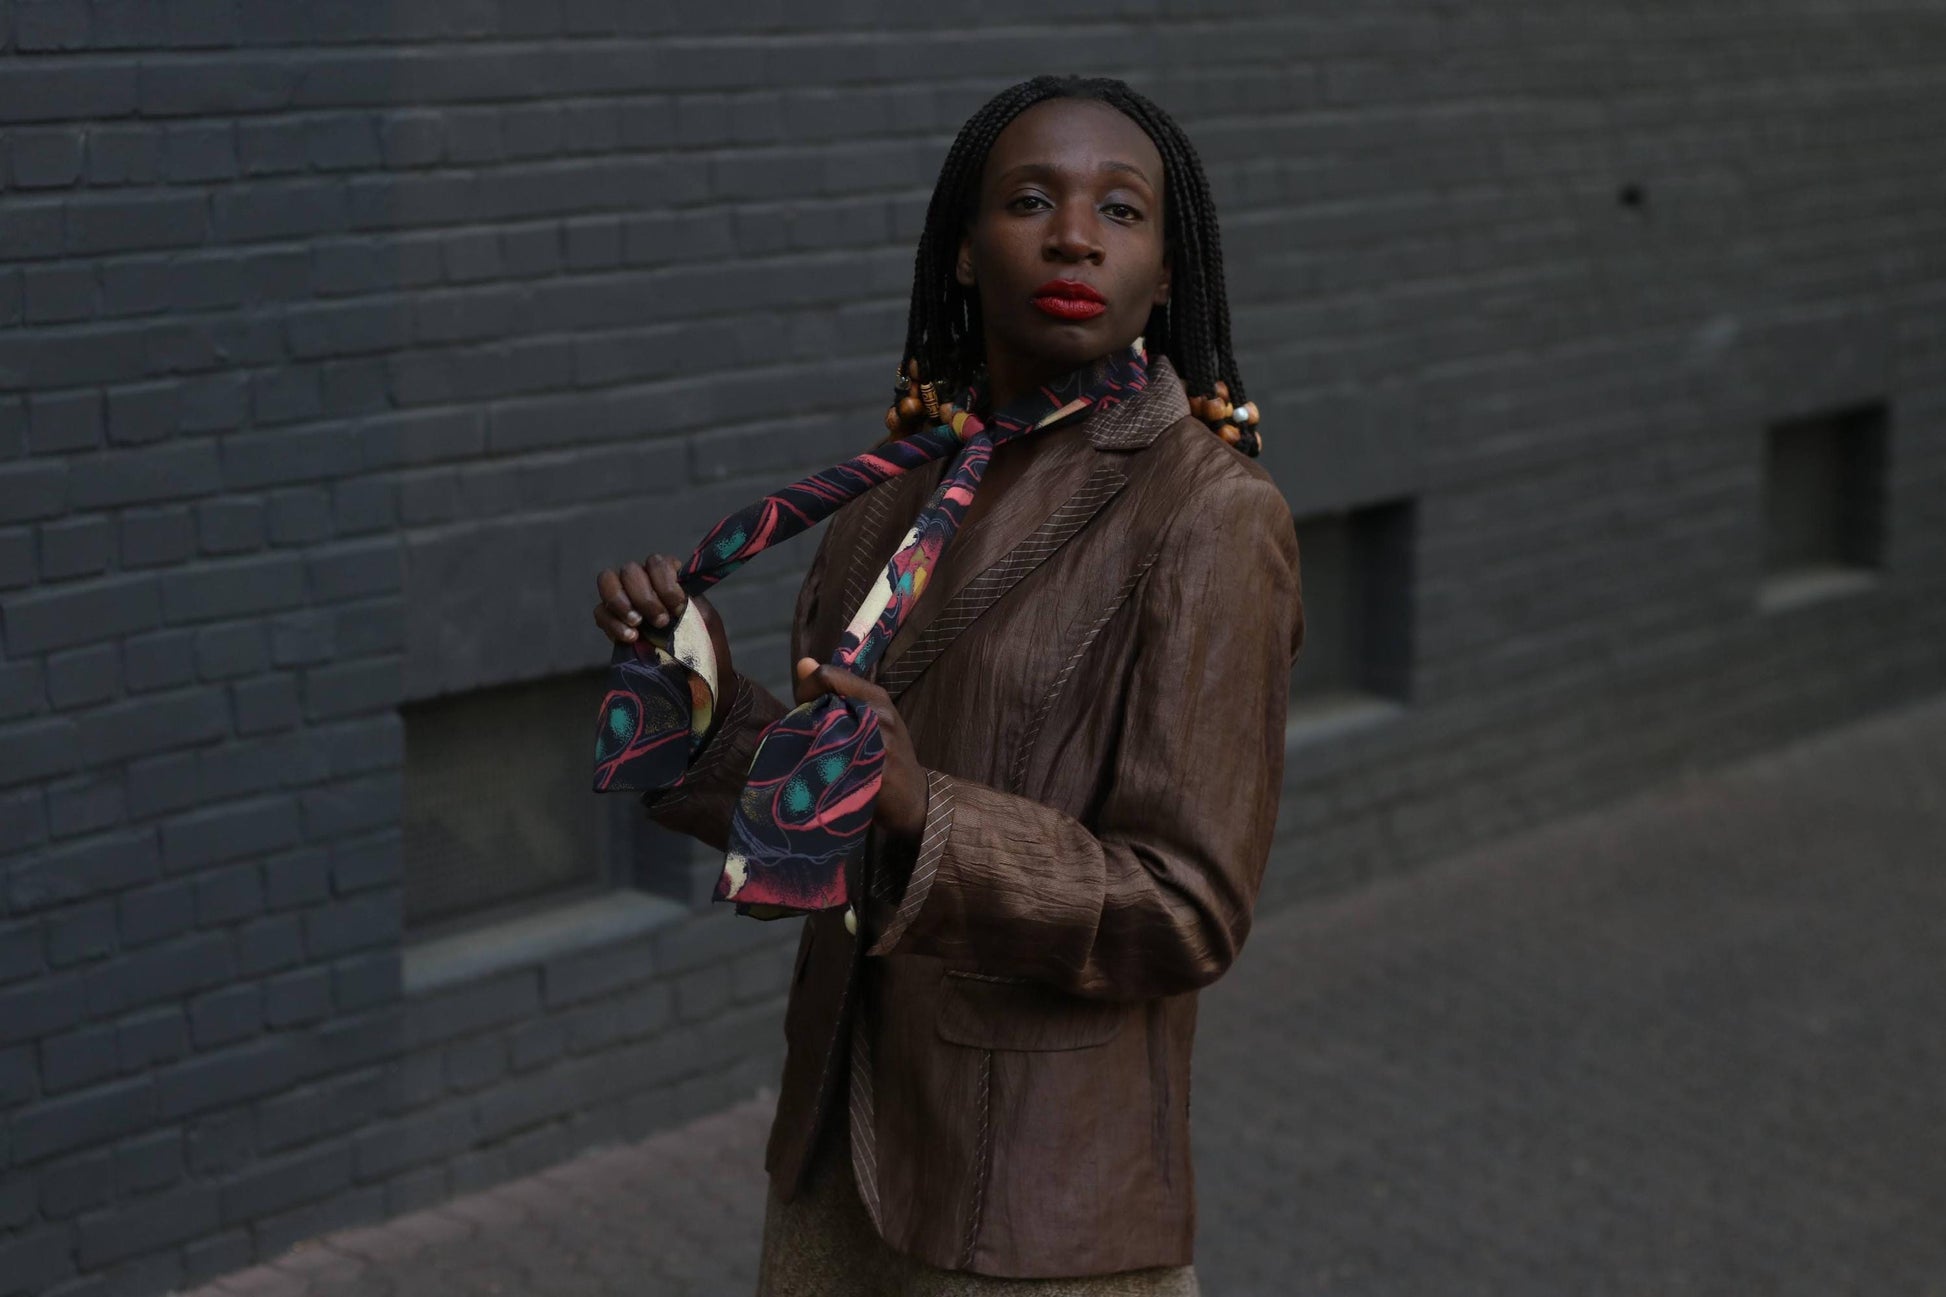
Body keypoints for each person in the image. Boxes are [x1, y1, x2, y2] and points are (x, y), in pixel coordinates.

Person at [592, 74, 1303, 1297]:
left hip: (1037, 1198)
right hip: (835, 1153)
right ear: (964, 253)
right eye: (1029, 199)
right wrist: (692, 690)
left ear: (1168, 274)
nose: (1074, 234)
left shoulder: (1208, 517)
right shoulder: (888, 491)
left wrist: (932, 814)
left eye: (1121, 211)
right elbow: (829, 794)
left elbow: (1186, 907)